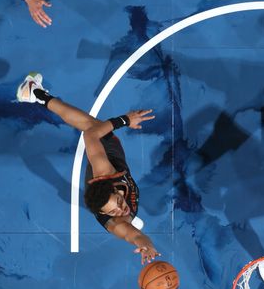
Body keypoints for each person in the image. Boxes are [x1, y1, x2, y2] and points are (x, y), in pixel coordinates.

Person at [15, 72, 160, 264]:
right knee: (90, 126)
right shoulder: (119, 223)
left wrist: (125, 120)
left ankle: (35, 92)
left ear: (114, 188)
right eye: (114, 211)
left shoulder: (104, 170)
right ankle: (34, 92)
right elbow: (134, 236)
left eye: (117, 203)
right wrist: (146, 245)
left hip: (110, 159)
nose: (121, 210)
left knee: (90, 125)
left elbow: (90, 136)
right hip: (112, 174)